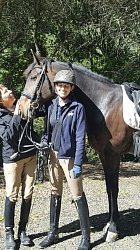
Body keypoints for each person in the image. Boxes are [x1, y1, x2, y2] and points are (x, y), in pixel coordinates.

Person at [39, 70, 90, 250]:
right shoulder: (51, 106)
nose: (63, 88)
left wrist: (78, 163)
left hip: (69, 158)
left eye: (66, 86)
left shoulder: (78, 108)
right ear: (56, 87)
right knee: (55, 193)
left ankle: (85, 238)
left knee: (77, 195)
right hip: (53, 156)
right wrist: (45, 139)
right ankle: (53, 233)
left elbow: (79, 138)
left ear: (71, 88)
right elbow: (48, 130)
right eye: (60, 85)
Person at [0, 84, 38, 250]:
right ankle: (9, 233)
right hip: (12, 159)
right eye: (5, 92)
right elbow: (8, 136)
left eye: (8, 89)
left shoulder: (22, 106)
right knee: (12, 194)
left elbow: (35, 118)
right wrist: (17, 114)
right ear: (0, 101)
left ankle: (23, 231)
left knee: (28, 193)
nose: (10, 91)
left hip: (30, 156)